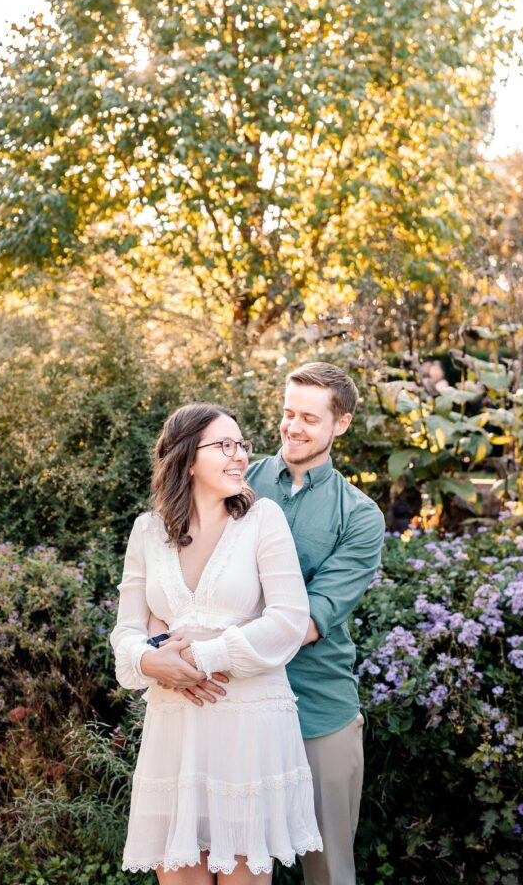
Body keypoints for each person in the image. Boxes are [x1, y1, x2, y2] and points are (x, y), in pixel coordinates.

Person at [110, 403, 323, 883]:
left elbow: (289, 621)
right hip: (175, 732)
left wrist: (204, 656)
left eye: (241, 445)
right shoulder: (147, 531)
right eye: (223, 445)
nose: (239, 456)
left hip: (248, 728)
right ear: (187, 458)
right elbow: (126, 629)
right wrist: (148, 660)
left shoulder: (262, 520)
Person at [247, 362, 386, 885]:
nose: (293, 427)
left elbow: (306, 623)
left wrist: (216, 647)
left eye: (309, 417)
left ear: (341, 424)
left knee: (327, 869)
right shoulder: (242, 480)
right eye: (287, 413)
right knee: (237, 859)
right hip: (237, 704)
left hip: (319, 710)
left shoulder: (360, 515)